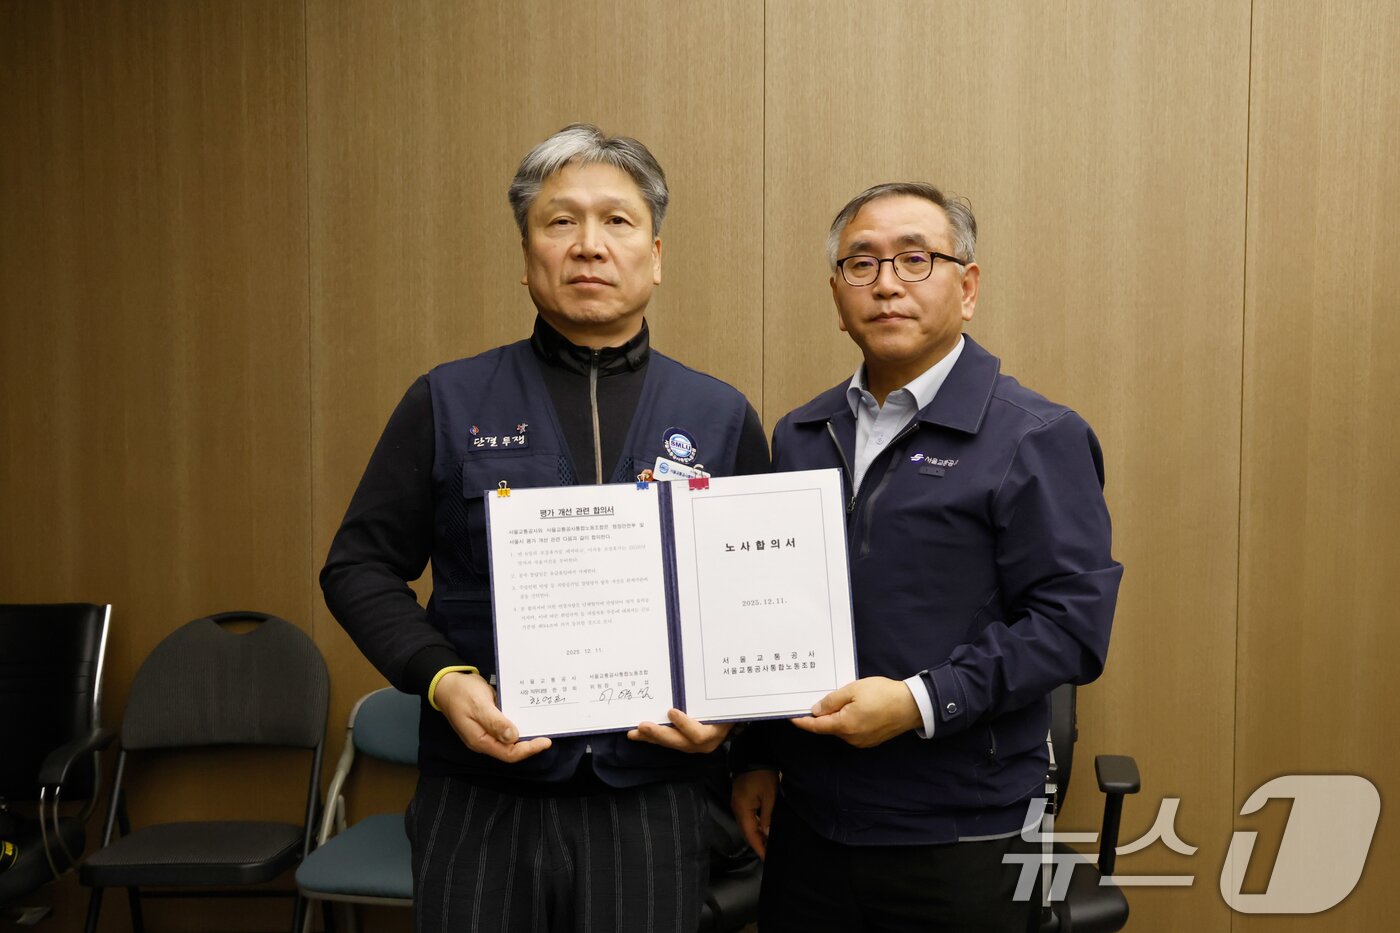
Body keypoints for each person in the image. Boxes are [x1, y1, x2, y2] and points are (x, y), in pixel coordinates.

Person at [322, 123, 769, 933]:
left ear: (657, 256)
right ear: (527, 251)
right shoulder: (448, 400)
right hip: (481, 795)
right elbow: (358, 567)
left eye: (617, 222)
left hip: (652, 797)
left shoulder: (721, 415)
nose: (589, 245)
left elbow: (758, 598)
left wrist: (733, 716)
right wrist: (441, 677)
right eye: (561, 221)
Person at [730, 183, 1122, 932]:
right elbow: (777, 609)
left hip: (963, 831)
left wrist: (917, 700)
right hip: (810, 824)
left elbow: (1072, 627)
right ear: (838, 294)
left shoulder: (1035, 436)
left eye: (916, 259)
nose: (886, 283)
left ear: (966, 287)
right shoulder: (802, 434)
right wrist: (756, 751)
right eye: (861, 263)